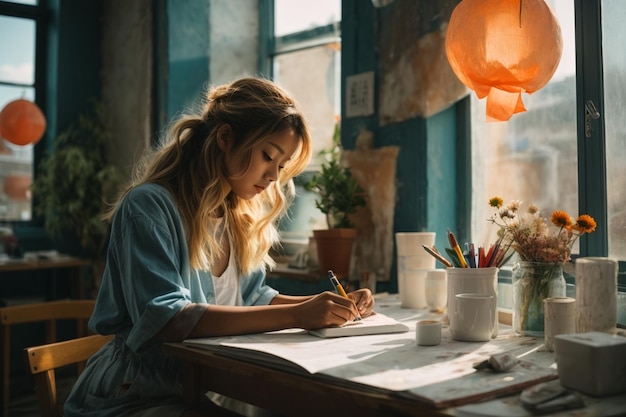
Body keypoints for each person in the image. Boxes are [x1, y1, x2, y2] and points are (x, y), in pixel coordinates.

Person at [64, 77, 375, 417]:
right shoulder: (149, 207)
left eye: (281, 166)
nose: (273, 176)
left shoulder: (235, 216)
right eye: (267, 156)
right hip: (142, 392)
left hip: (212, 383)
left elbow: (253, 298)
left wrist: (327, 306)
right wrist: (299, 314)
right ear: (225, 138)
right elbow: (168, 319)